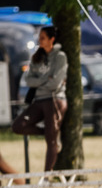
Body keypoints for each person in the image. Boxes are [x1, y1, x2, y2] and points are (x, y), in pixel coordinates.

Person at [12, 26, 68, 171]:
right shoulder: (36, 57)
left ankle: (47, 175)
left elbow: (55, 83)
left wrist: (40, 81)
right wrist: (46, 79)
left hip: (55, 99)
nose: (40, 40)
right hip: (39, 100)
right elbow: (29, 80)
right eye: (39, 37)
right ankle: (51, 133)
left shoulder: (60, 57)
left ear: (51, 39)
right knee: (18, 126)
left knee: (50, 141)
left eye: (43, 37)